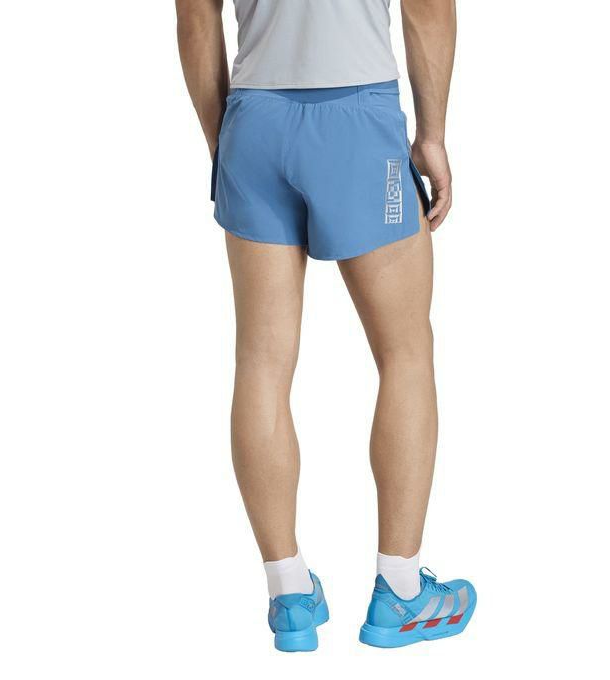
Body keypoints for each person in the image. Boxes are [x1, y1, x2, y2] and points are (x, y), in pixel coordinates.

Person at [176, 0, 475, 651]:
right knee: (405, 352)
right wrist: (431, 136)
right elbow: (428, 8)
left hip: (253, 121)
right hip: (357, 121)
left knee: (261, 363)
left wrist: (224, 141)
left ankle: (289, 595)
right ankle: (400, 591)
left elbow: (195, 17)